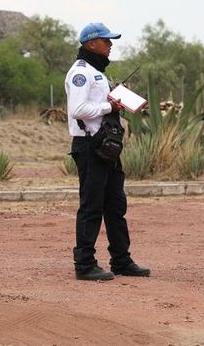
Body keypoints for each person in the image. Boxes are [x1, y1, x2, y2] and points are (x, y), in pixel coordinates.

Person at [65, 22, 150, 281]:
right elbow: (78, 110)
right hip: (89, 146)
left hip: (107, 147)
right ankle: (84, 264)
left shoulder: (97, 72)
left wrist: (123, 102)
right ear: (91, 43)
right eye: (106, 40)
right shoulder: (81, 73)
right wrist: (109, 107)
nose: (111, 45)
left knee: (115, 205)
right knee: (91, 206)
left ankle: (121, 260)